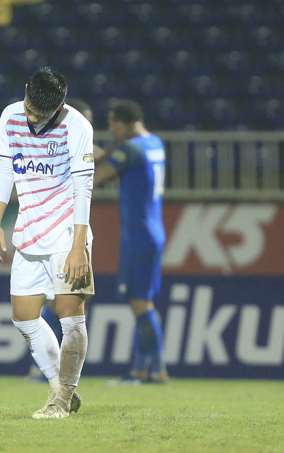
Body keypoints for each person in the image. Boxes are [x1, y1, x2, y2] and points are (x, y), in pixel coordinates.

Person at [0, 67, 95, 419]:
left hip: (67, 233)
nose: (33, 120)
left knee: (71, 319)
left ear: (60, 106)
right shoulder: (10, 116)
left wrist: (79, 245)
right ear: (25, 92)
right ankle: (59, 387)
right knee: (24, 319)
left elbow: (83, 187)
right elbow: (6, 168)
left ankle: (62, 399)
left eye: (42, 115)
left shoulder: (77, 126)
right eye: (31, 110)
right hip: (29, 232)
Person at [24, 97, 103, 383]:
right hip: (55, 234)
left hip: (74, 232)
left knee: (68, 305)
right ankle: (47, 369)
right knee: (55, 305)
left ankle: (57, 373)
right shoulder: (57, 145)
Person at [93, 100, 168, 384]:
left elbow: (98, 178)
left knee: (140, 305)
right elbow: (120, 156)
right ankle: (139, 371)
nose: (111, 129)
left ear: (126, 124)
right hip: (153, 232)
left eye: (114, 124)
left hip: (138, 237)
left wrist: (84, 160)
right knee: (143, 303)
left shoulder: (130, 149)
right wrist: (105, 154)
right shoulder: (154, 143)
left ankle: (159, 370)